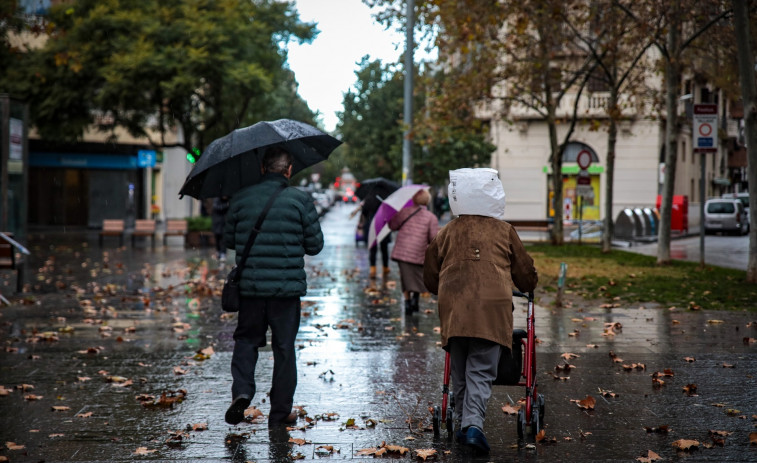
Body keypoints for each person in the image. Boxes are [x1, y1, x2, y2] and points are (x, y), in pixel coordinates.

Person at [423, 179, 538, 454]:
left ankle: (464, 424)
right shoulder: (504, 230)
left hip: (454, 309)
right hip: (491, 309)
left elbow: (429, 272)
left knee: (460, 371)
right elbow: (525, 275)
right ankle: (473, 427)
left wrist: (440, 286)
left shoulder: (448, 231)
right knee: (481, 371)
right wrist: (529, 283)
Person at [223, 146, 324, 428]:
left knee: (246, 341)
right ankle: (280, 413)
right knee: (284, 348)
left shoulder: (241, 198)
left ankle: (242, 391)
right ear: (289, 170)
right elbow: (315, 246)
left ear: (263, 169)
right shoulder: (300, 200)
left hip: (251, 289)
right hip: (286, 291)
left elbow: (230, 239)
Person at [388, 189, 439, 314]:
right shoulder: (431, 217)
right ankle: (415, 300)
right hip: (419, 251)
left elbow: (393, 226)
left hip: (402, 250)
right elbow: (433, 238)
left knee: (406, 277)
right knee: (417, 277)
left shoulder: (404, 212)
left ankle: (407, 302)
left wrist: (391, 216)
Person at [360, 193, 391, 278]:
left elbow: (364, 213)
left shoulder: (369, 198)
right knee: (384, 248)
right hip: (383, 224)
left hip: (372, 225)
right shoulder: (385, 198)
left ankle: (373, 269)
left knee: (373, 248)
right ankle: (385, 268)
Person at [211, 196, 230, 260]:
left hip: (224, 223)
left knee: (224, 239)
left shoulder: (228, 200)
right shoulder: (217, 200)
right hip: (217, 222)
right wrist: (226, 205)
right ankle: (218, 252)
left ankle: (223, 253)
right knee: (217, 238)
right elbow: (216, 207)